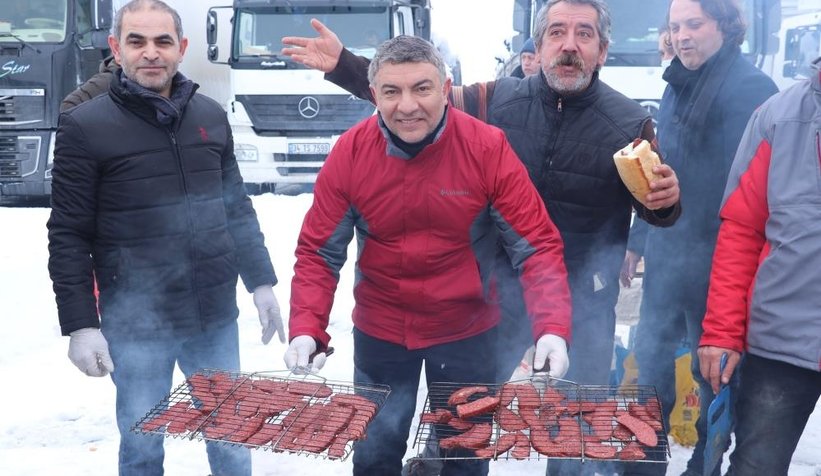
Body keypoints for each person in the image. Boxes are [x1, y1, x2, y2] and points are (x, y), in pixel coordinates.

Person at [281, 2, 682, 474]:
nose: (569, 45)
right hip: (452, 305)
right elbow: (409, 96)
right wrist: (308, 324)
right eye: (557, 32)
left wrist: (665, 203)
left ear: (602, 50)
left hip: (555, 301)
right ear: (539, 43)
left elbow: (551, 237)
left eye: (583, 34)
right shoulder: (498, 101)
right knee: (403, 446)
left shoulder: (628, 122)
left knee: (561, 432)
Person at [282, 35, 573, 476]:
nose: (408, 106)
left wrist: (551, 326)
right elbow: (319, 253)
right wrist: (307, 327)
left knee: (465, 455)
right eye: (392, 92)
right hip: (382, 330)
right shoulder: (351, 153)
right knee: (376, 454)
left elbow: (534, 245)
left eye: (421, 88)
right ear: (374, 94)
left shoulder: (486, 147)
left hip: (467, 331)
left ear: (445, 88)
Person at [46, 1, 285, 475]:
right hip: (137, 326)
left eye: (162, 42)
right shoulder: (85, 126)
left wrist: (261, 283)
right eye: (137, 41)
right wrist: (81, 324)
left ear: (182, 48)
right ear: (117, 48)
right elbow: (68, 233)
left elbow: (235, 206)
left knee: (232, 441)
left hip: (212, 316)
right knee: (142, 446)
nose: (150, 53)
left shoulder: (211, 116)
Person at [624, 0, 778, 474]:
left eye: (695, 24)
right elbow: (663, 171)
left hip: (719, 265)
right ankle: (642, 465)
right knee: (649, 370)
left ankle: (702, 468)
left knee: (712, 379)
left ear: (727, 27)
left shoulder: (753, 89)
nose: (683, 35)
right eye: (675, 26)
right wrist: (637, 243)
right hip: (669, 256)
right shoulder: (676, 82)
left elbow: (749, 188)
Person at [698, 56, 821, 476]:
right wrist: (722, 332)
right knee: (756, 468)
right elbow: (741, 231)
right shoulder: (777, 116)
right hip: (781, 339)